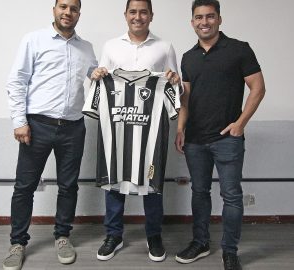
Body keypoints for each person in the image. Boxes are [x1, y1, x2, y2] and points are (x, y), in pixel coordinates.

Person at [3, 0, 97, 269]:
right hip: (37, 125)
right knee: (25, 187)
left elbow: (94, 74)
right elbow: (17, 80)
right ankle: (17, 242)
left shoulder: (86, 48)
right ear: (54, 9)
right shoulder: (34, 40)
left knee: (69, 186)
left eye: (74, 8)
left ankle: (63, 236)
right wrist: (20, 122)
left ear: (80, 13)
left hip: (73, 127)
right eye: (63, 6)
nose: (68, 13)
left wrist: (99, 72)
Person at [174, 0, 265, 269]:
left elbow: (258, 88)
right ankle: (200, 243)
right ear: (192, 22)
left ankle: (230, 252)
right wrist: (180, 128)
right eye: (199, 17)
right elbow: (185, 99)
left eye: (210, 16)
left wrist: (240, 123)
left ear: (219, 19)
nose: (204, 22)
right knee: (199, 193)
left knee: (232, 196)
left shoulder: (239, 49)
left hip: (227, 139)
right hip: (195, 140)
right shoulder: (188, 57)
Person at [90, 0, 180, 262]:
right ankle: (113, 235)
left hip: (150, 133)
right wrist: (96, 75)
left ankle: (154, 236)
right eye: (133, 12)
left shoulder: (165, 47)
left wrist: (174, 81)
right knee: (114, 182)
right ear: (125, 15)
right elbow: (99, 83)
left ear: (151, 15)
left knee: (152, 185)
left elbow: (177, 87)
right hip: (117, 129)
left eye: (143, 12)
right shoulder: (111, 46)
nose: (138, 16)